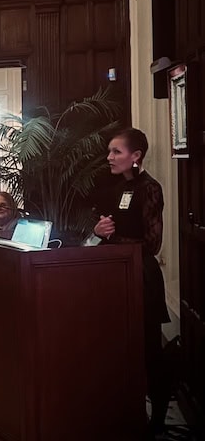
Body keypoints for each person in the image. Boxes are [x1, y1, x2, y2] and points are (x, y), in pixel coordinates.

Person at [92, 128, 171, 434]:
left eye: (116, 152)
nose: (109, 157)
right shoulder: (116, 189)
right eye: (110, 151)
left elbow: (152, 244)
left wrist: (115, 238)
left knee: (148, 351)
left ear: (136, 156)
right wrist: (100, 230)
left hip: (141, 277)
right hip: (115, 275)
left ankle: (160, 418)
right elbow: (107, 229)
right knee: (119, 350)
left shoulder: (150, 188)